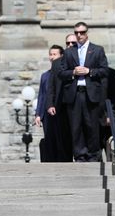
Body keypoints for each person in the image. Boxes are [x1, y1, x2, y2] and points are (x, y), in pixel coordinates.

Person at [59, 21, 109, 162]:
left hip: (91, 93)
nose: (79, 35)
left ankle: (93, 155)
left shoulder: (97, 50)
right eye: (76, 33)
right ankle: (80, 155)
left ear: (87, 33)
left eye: (82, 32)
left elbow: (104, 71)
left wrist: (89, 71)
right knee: (76, 126)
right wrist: (73, 72)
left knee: (91, 125)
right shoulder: (69, 52)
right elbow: (61, 73)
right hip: (74, 94)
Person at [45, 34, 78, 162]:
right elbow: (51, 85)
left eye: (73, 43)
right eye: (68, 43)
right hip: (61, 104)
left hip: (77, 103)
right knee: (62, 136)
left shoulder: (82, 59)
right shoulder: (57, 62)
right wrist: (50, 104)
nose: (70, 45)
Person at [35, 45, 64, 161]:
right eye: (50, 54)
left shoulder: (62, 74)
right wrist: (38, 114)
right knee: (49, 138)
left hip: (60, 113)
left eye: (54, 54)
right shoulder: (45, 76)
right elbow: (42, 95)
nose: (52, 57)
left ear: (61, 56)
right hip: (48, 114)